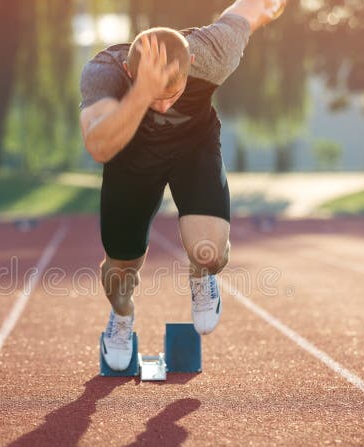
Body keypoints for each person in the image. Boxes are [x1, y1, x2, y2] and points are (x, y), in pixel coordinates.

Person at [80, 0, 288, 371]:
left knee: (211, 253)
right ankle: (122, 318)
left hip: (193, 149)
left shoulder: (213, 52)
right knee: (120, 272)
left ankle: (201, 276)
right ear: (129, 69)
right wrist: (142, 91)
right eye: (154, 100)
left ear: (192, 64)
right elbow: (98, 146)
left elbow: (247, 11)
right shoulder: (104, 72)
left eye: (171, 95)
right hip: (130, 160)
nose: (161, 109)